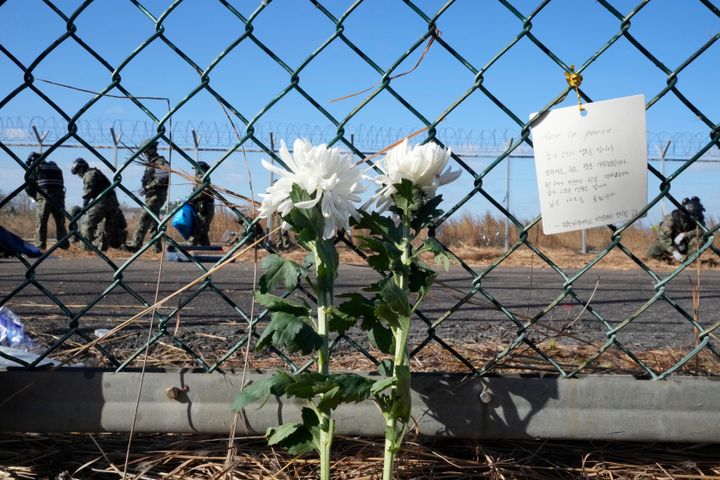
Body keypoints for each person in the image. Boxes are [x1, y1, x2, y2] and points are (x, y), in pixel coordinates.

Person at [70, 158, 122, 251]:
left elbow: (88, 193)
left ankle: (85, 249)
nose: (79, 174)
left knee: (87, 224)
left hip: (103, 201)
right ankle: (103, 249)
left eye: (78, 172)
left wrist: (84, 207)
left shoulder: (89, 174)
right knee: (106, 227)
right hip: (112, 202)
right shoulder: (96, 172)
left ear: (81, 168)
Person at [127, 139, 169, 253]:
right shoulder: (151, 163)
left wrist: (147, 187)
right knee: (153, 224)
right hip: (150, 196)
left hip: (157, 196)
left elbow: (162, 178)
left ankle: (136, 244)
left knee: (144, 217)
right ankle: (157, 248)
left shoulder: (160, 162)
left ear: (151, 149)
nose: (144, 154)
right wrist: (144, 188)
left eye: (146, 151)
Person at [24, 152, 68, 250]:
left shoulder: (35, 167)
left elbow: (28, 186)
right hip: (59, 198)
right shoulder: (56, 167)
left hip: (44, 197)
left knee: (41, 222)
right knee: (60, 222)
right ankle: (63, 244)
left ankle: (40, 246)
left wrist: (35, 196)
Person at [647, 196, 706, 263]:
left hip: (688, 244)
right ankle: (667, 260)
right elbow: (664, 237)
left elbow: (702, 231)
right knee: (653, 251)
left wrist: (685, 235)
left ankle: (692, 260)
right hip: (672, 243)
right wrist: (673, 251)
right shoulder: (672, 218)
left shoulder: (699, 218)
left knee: (700, 239)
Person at [187, 161, 215, 246]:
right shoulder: (201, 178)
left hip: (204, 209)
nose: (195, 171)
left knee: (197, 232)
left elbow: (203, 193)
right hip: (202, 208)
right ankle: (207, 253)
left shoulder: (202, 178)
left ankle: (189, 251)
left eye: (196, 169)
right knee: (203, 235)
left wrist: (191, 200)